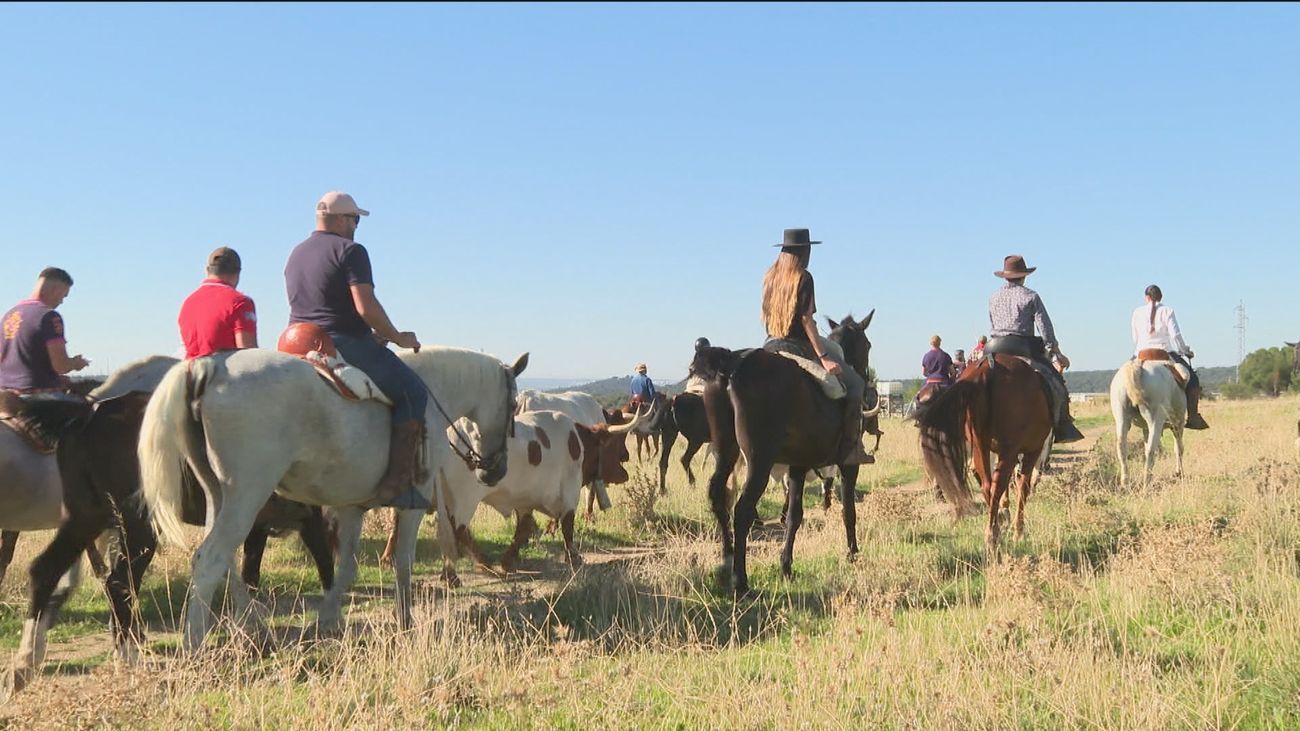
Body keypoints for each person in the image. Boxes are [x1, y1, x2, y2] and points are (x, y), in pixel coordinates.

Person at [285, 191, 429, 509]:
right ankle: (397, 486)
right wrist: (395, 336)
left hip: (296, 340)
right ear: (341, 219)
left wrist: (372, 334)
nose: (356, 225)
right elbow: (365, 305)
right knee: (413, 394)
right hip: (342, 341)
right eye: (355, 219)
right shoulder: (351, 251)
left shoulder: (296, 253)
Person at [760, 228, 871, 464]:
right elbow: (806, 319)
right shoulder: (803, 276)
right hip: (798, 346)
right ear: (802, 251)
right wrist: (823, 356)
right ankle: (851, 449)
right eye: (808, 249)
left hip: (770, 343)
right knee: (856, 384)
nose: (809, 254)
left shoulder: (769, 276)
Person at [985, 255, 1084, 443]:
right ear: (1024, 276)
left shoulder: (993, 297)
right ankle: (1063, 425)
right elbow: (1044, 327)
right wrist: (1055, 350)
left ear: (1005, 276)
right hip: (1023, 348)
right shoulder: (1030, 296)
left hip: (995, 348)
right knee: (1056, 383)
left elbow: (992, 323)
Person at [0, 267, 90, 393]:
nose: (62, 301)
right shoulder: (49, 316)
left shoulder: (8, 316)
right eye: (63, 296)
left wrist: (53, 377)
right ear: (55, 290)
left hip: (6, 395)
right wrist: (75, 363)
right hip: (37, 395)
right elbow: (61, 366)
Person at [1131, 284, 1208, 430]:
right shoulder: (1167, 310)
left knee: (1126, 376)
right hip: (1164, 352)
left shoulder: (1137, 312)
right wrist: (1185, 350)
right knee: (1193, 380)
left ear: (1146, 298)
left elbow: (1135, 338)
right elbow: (1175, 335)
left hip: (1141, 353)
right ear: (1160, 297)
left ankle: (1127, 411)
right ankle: (1192, 416)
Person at [178, 247, 258, 359]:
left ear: (207, 270)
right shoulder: (241, 302)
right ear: (238, 273)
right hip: (221, 373)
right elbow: (248, 355)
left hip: (191, 373)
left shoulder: (188, 302)